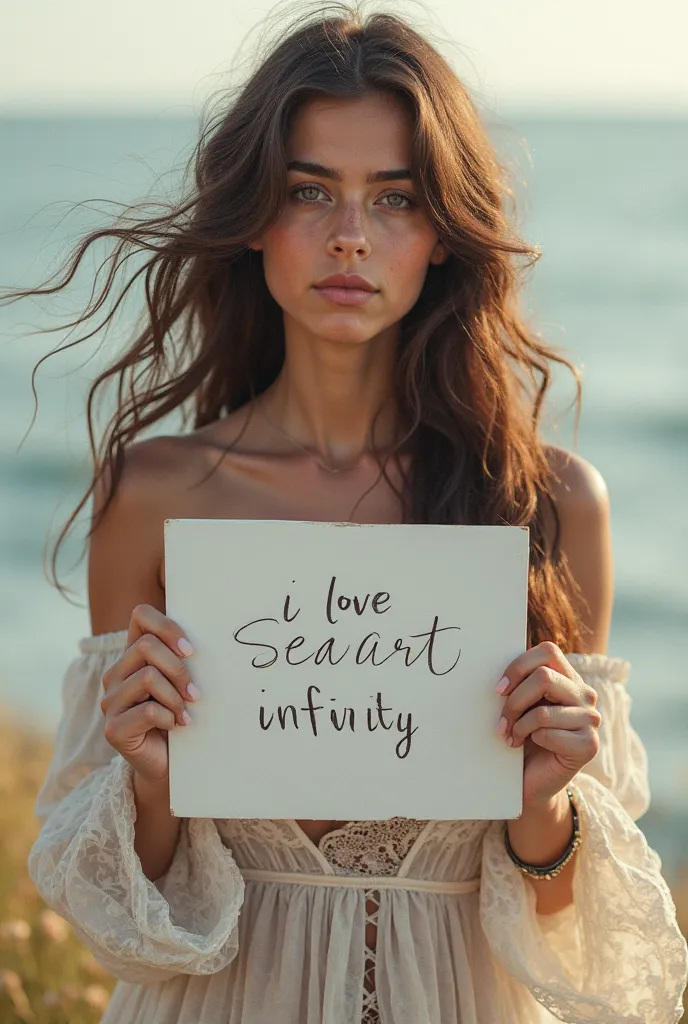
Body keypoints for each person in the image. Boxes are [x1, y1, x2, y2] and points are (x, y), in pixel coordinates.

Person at [9, 5, 686, 1022]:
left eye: (396, 198)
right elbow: (133, 920)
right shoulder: (157, 498)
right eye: (308, 191)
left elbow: (562, 935)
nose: (349, 237)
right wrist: (149, 781)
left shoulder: (543, 505)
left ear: (445, 234)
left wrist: (545, 801)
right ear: (252, 218)